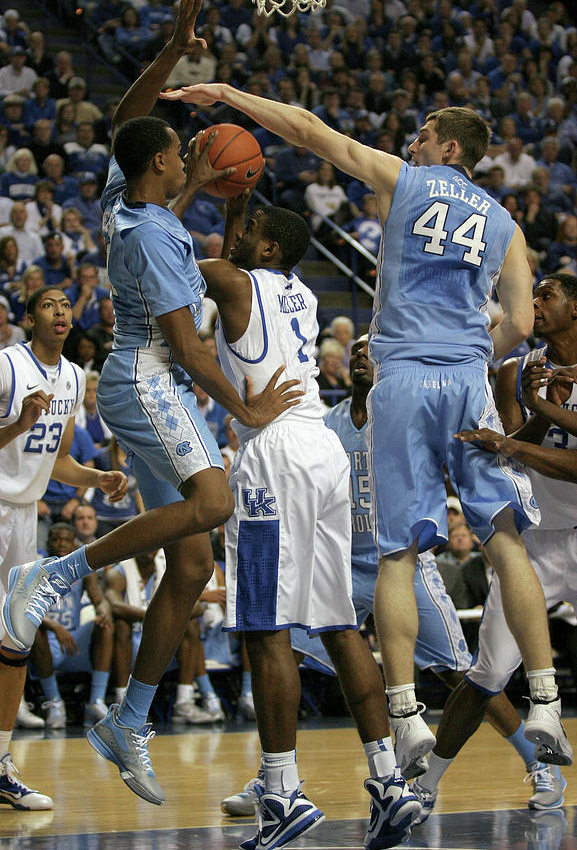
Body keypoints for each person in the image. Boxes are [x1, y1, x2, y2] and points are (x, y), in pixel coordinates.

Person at [159, 85, 571, 772]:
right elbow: (521, 326)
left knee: (397, 555)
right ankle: (546, 702)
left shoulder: (404, 180)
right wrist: (473, 346)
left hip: (404, 379)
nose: (411, 140)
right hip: (467, 380)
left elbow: (312, 132)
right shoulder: (505, 221)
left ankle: (406, 717)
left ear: (446, 147)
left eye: (422, 132)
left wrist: (228, 95)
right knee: (503, 543)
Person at [0, 0, 299, 810]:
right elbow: (188, 345)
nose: (189, 150)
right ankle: (56, 574)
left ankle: (128, 721)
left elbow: (131, 120)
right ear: (163, 163)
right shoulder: (158, 232)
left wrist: (172, 51)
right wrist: (246, 410)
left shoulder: (129, 199)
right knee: (214, 500)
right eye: (181, 147)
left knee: (195, 555)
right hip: (144, 377)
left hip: (144, 382)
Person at [223, 336, 565, 818]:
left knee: (459, 673)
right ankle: (273, 776)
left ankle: (539, 762)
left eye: (370, 346)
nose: (362, 354)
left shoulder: (407, 417)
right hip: (340, 563)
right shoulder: (325, 424)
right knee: (281, 652)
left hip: (400, 564)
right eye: (355, 350)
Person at [192, 194, 421, 849]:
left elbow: (166, 252)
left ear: (264, 248)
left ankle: (281, 790)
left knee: (266, 632)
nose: (231, 233)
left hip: (273, 456)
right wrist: (239, 196)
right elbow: (240, 242)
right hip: (320, 450)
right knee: (337, 623)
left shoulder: (234, 280)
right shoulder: (299, 290)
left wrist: (203, 180)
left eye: (246, 228)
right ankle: (387, 781)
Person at [411, 273, 577, 822]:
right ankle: (426, 785)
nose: (534, 304)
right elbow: (515, 454)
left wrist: (538, 419)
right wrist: (529, 408)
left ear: (576, 310)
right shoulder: (516, 369)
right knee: (486, 674)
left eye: (547, 296)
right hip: (532, 542)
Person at [0, 285, 127, 810]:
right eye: (48, 305)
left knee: (14, 640)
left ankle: (2, 763)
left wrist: (96, 478)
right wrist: (19, 424)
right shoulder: (8, 366)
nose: (60, 312)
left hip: (24, 515)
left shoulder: (74, 377)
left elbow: (55, 461)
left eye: (65, 306)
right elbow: (20, 436)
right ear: (30, 319)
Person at [103, 550, 215, 725]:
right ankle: (122, 704)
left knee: (191, 626)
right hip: (129, 645)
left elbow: (198, 606)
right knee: (121, 626)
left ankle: (184, 702)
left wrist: (160, 617)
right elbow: (115, 606)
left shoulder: (168, 570)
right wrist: (158, 616)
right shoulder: (118, 573)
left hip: (160, 642)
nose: (150, 549)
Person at [30, 520, 113, 729]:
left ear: (74, 544)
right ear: (48, 543)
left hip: (74, 640)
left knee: (104, 626)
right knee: (35, 630)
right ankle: (55, 702)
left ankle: (96, 701)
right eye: (56, 540)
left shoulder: (82, 568)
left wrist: (104, 612)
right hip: (48, 641)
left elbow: (99, 599)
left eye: (66, 540)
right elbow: (28, 608)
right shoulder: (36, 568)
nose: (61, 544)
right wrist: (55, 628)